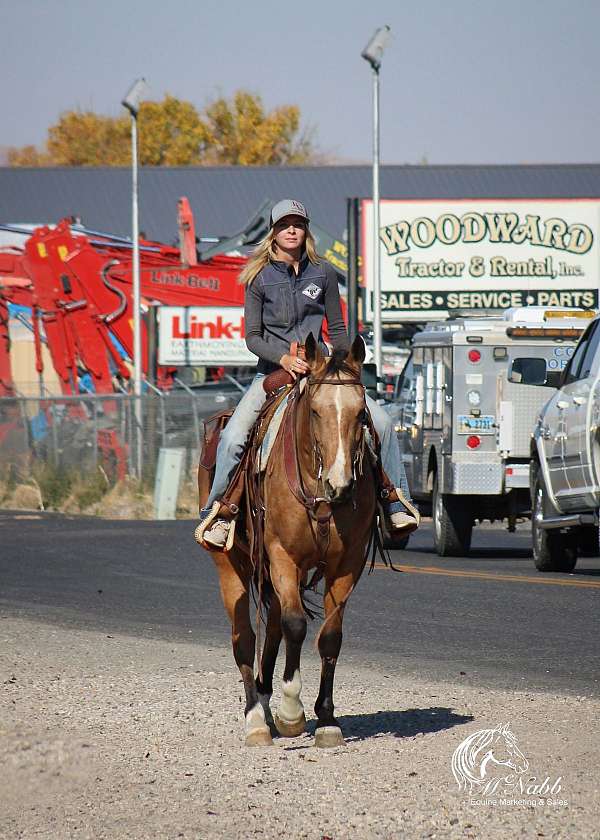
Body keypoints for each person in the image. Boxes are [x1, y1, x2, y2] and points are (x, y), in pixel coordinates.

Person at [197, 198, 415, 548]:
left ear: (306, 230)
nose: (292, 230)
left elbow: (339, 327)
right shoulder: (257, 276)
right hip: (273, 373)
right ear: (274, 232)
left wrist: (345, 361)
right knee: (234, 436)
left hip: (323, 372)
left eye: (298, 224)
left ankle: (394, 501)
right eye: (284, 225)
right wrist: (283, 359)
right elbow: (253, 337)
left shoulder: (323, 272)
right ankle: (220, 513)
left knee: (384, 424)